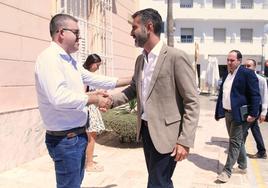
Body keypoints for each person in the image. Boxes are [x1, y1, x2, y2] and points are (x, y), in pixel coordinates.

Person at [35, 14, 128, 188]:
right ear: (61, 33)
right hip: (65, 140)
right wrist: (94, 99)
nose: (80, 37)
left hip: (77, 136)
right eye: (76, 32)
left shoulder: (70, 61)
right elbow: (58, 97)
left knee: (75, 184)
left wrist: (132, 79)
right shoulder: (49, 59)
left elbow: (96, 79)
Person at [110, 8, 200, 188]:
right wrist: (111, 101)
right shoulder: (140, 60)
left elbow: (192, 101)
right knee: (159, 180)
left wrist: (184, 140)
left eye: (134, 27)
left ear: (148, 26)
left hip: (167, 135)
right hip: (146, 131)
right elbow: (135, 89)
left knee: (157, 183)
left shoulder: (176, 57)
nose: (131, 33)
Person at [215, 50, 261, 183]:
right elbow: (222, 94)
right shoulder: (226, 74)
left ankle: (227, 171)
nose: (229, 63)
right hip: (228, 113)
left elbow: (255, 95)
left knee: (234, 142)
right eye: (228, 60)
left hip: (241, 115)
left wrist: (253, 114)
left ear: (239, 61)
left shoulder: (247, 74)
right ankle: (243, 166)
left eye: (232, 60)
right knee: (238, 141)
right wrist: (219, 112)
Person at [83, 54, 130, 172]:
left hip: (92, 107)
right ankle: (89, 164)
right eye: (97, 65)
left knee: (91, 136)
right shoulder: (84, 76)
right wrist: (97, 93)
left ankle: (89, 160)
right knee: (91, 137)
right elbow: (82, 94)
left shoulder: (89, 76)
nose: (98, 68)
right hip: (88, 108)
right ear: (91, 63)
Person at [244, 59, 267, 159]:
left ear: (254, 67)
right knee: (254, 128)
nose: (246, 68)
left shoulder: (260, 80)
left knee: (243, 129)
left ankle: (238, 150)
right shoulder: (243, 78)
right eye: (245, 66)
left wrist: (263, 112)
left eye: (248, 66)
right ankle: (262, 151)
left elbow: (265, 96)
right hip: (247, 107)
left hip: (256, 107)